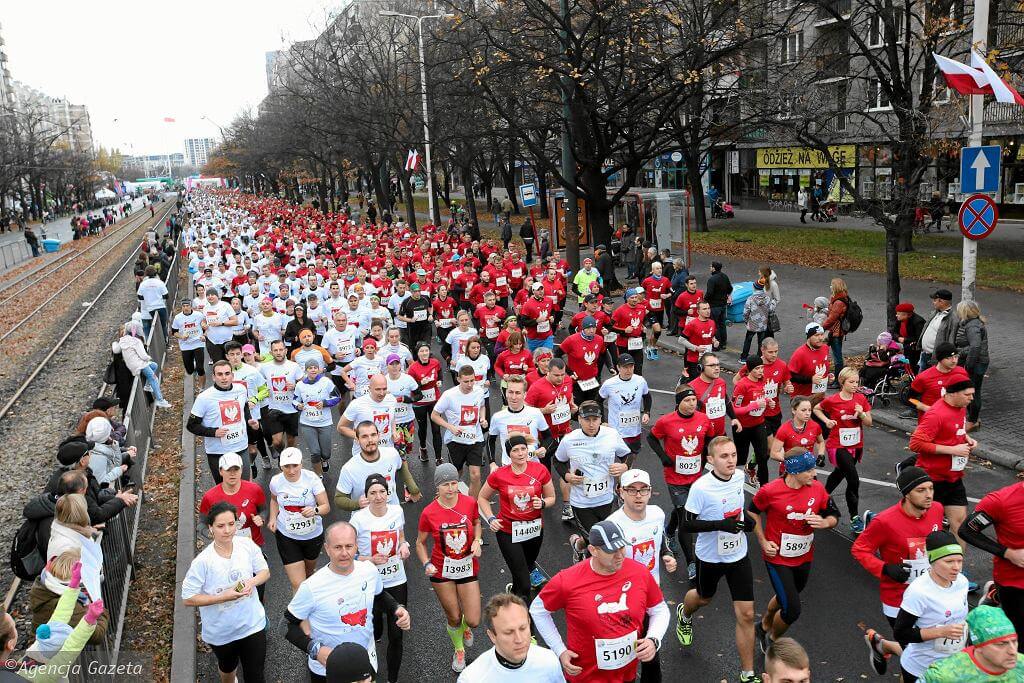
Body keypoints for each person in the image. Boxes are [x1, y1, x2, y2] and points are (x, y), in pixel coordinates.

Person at [529, 519, 670, 682]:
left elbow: (659, 609)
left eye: (622, 547)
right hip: (586, 676)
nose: (619, 555)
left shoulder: (639, 573)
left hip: (626, 675)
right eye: (611, 550)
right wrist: (559, 650)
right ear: (593, 550)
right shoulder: (567, 580)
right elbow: (538, 610)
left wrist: (653, 638)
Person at [676, 436, 760, 683]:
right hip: (710, 556)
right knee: (703, 598)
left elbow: (736, 508)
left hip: (738, 554)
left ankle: (747, 673)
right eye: (724, 456)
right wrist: (720, 525)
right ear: (711, 460)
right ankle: (685, 613)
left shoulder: (738, 477)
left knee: (746, 614)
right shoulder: (701, 488)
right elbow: (686, 525)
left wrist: (746, 521)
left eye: (733, 455)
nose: (731, 461)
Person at [284, 522, 411, 682]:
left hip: (365, 660)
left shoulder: (369, 571)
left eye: (349, 546)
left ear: (356, 546)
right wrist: (315, 650)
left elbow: (379, 597)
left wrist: (396, 608)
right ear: (326, 548)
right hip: (326, 668)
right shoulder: (312, 586)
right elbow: (286, 625)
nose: (344, 553)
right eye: (337, 547)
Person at [855, 466, 946, 675]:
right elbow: (859, 549)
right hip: (898, 599)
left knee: (924, 650)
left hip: (929, 592)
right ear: (906, 493)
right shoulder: (884, 521)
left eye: (931, 488)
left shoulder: (937, 510)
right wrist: (885, 568)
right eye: (921, 490)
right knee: (917, 657)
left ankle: (882, 645)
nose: (929, 495)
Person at [750, 449, 839, 650]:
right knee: (792, 610)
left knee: (788, 596)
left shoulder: (817, 489)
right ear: (794, 471)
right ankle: (772, 639)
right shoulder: (770, 491)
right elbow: (752, 512)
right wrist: (763, 541)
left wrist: (825, 523)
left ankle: (763, 625)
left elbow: (833, 514)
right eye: (809, 470)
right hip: (777, 558)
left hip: (804, 557)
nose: (814, 473)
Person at [182, 502, 270, 683]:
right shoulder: (203, 562)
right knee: (228, 667)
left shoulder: (246, 544)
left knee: (255, 675)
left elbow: (264, 572)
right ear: (210, 528)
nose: (228, 530)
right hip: (221, 631)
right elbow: (188, 598)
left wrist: (251, 582)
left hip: (252, 624)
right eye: (220, 526)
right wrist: (223, 597)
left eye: (232, 524)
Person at [606, 470, 677, 682]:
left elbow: (661, 540)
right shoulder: (613, 525)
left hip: (650, 593)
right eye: (632, 490)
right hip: (622, 598)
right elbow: (605, 564)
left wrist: (668, 555)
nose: (638, 495)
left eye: (643, 490)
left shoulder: (657, 513)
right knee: (622, 655)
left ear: (650, 492)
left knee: (650, 653)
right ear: (621, 493)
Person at [416, 464, 483, 673]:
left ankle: (465, 629)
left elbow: (477, 522)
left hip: (466, 566)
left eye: (454, 483)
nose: (451, 488)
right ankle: (458, 649)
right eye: (446, 484)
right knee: (453, 616)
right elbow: (420, 542)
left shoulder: (469, 502)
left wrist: (478, 541)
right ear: (438, 487)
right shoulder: (429, 512)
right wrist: (426, 563)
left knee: (473, 620)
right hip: (441, 570)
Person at [478, 435, 556, 602]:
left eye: (523, 448)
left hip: (534, 530)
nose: (520, 453)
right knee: (525, 582)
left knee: (524, 569)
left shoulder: (540, 470)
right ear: (509, 454)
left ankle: (514, 591)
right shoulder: (499, 475)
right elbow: (482, 497)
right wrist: (491, 519)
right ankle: (525, 621)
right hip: (508, 531)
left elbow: (552, 498)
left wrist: (542, 503)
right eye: (515, 450)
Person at [351, 474, 411, 683]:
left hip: (396, 579)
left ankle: (391, 679)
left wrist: (404, 546)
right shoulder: (358, 519)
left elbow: (401, 536)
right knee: (373, 628)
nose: (378, 497)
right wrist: (370, 559)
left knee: (396, 634)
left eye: (382, 492)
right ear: (366, 496)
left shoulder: (397, 511)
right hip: (369, 581)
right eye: (372, 493)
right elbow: (351, 554)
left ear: (388, 493)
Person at [647, 386, 711, 580]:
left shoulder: (703, 419)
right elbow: (651, 437)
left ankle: (668, 530)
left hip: (697, 477)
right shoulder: (666, 421)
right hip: (675, 478)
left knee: (685, 510)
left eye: (693, 400)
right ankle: (691, 562)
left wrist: (706, 456)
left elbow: (710, 438)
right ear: (679, 403)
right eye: (687, 401)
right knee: (687, 518)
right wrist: (663, 457)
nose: (691, 404)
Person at [556, 401, 631, 562]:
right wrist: (567, 477)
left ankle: (577, 545)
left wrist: (624, 466)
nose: (591, 424)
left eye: (595, 419)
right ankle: (593, 580)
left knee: (597, 536)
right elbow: (558, 461)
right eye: (587, 419)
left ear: (600, 419)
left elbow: (627, 454)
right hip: (581, 503)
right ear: (579, 420)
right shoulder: (569, 440)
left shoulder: (611, 435)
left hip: (605, 499)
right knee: (596, 543)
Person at [908, 378, 977, 555]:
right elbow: (915, 444)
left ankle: (957, 569)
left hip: (953, 479)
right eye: (967, 395)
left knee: (961, 525)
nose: (971, 399)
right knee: (927, 527)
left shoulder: (960, 408)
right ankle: (924, 568)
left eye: (972, 395)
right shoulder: (936, 414)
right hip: (931, 481)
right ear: (952, 394)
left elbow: (957, 430)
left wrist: (966, 439)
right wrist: (952, 449)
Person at [895, 531, 970, 682]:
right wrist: (940, 632)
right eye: (949, 562)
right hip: (922, 668)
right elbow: (901, 633)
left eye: (959, 561)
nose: (956, 567)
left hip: (954, 664)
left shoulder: (962, 581)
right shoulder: (918, 592)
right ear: (932, 561)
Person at [961, 480, 1024, 638]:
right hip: (1014, 583)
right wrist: (1008, 553)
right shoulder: (1001, 501)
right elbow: (967, 530)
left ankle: (994, 595)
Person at [813, 367, 872, 533]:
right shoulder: (833, 400)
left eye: (857, 381)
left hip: (855, 446)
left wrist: (861, 415)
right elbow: (817, 408)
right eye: (851, 382)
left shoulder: (861, 399)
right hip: (837, 445)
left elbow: (869, 423)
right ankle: (855, 518)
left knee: (838, 475)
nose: (855, 385)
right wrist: (827, 421)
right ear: (842, 382)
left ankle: (819, 499)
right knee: (853, 480)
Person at [457, 593, 564, 682]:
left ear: (529, 623)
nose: (519, 639)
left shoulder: (549, 661)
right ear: (492, 636)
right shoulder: (471, 679)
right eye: (508, 632)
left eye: (523, 628)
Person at [188, 361, 261, 482]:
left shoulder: (241, 389)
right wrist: (214, 432)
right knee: (224, 490)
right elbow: (192, 425)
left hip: (240, 447)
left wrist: (249, 421)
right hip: (217, 452)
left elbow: (244, 407)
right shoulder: (204, 398)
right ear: (213, 377)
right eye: (220, 374)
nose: (224, 378)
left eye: (227, 373)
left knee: (244, 485)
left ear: (232, 375)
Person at [199, 453, 267, 570]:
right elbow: (201, 524)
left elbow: (264, 510)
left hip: (253, 546)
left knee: (258, 583)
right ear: (221, 471)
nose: (232, 473)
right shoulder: (210, 497)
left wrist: (261, 518)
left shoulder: (254, 490)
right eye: (228, 469)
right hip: (225, 551)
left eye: (236, 469)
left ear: (241, 470)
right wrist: (211, 533)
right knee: (235, 586)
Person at [923, 605, 1024, 681]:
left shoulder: (1022, 664)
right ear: (979, 646)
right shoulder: (943, 675)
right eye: (1001, 644)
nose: (1013, 651)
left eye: (1014, 642)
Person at [432, 365, 489, 498]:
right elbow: (434, 415)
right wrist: (450, 427)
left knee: (476, 475)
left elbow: (482, 406)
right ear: (458, 379)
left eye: (472, 380)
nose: (470, 384)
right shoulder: (449, 395)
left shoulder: (479, 391)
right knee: (456, 473)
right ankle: (448, 497)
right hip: (455, 440)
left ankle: (472, 505)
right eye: (466, 381)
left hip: (475, 438)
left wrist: (482, 418)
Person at [600, 352, 652, 467]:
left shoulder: (640, 381)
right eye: (625, 367)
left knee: (631, 458)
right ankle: (620, 483)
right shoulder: (609, 384)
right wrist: (602, 421)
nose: (628, 370)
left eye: (631, 367)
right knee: (618, 462)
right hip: (616, 430)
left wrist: (647, 412)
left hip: (634, 430)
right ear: (618, 367)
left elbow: (647, 396)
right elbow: (598, 401)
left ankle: (625, 480)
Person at [487, 375, 551, 468]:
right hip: (508, 467)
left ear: (524, 394)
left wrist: (544, 448)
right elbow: (490, 441)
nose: (513, 397)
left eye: (517, 393)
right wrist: (492, 463)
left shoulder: (535, 413)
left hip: (532, 465)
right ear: (506, 393)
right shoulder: (498, 417)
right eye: (510, 392)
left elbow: (548, 437)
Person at [259, 340, 303, 459]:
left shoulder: (294, 366)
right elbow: (258, 383)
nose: (278, 352)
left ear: (286, 350)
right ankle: (282, 455)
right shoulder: (265, 368)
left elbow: (303, 383)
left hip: (291, 408)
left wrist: (295, 386)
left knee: (291, 441)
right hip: (274, 408)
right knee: (277, 442)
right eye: (275, 350)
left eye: (280, 349)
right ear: (271, 352)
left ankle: (288, 460)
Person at [904, 342, 969, 422]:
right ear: (940, 359)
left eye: (956, 356)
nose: (954, 361)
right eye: (949, 358)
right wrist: (925, 407)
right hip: (930, 424)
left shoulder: (962, 373)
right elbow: (910, 398)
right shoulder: (924, 377)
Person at [115, 322, 172, 408]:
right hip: (140, 364)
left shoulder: (122, 341)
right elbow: (143, 356)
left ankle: (147, 385)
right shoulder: (136, 340)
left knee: (154, 365)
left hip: (132, 365)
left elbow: (117, 350)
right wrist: (149, 358)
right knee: (154, 378)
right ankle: (160, 400)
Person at [953, 300, 988, 431]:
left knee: (973, 391)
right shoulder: (972, 323)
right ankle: (973, 418)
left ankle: (972, 420)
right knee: (972, 390)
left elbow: (975, 346)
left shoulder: (972, 326)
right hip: (975, 361)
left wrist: (968, 365)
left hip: (975, 363)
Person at [918, 289, 959, 372]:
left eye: (935, 300)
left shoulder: (953, 318)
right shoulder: (934, 313)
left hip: (936, 358)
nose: (933, 302)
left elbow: (951, 339)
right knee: (921, 381)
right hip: (924, 354)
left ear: (941, 301)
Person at [788, 322, 832, 397]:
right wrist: (810, 379)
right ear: (808, 337)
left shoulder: (825, 348)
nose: (821, 338)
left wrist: (828, 376)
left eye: (822, 334)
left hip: (820, 395)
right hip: (802, 398)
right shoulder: (800, 353)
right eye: (816, 335)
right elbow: (790, 376)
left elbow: (820, 367)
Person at [172, 299, 207, 390]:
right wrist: (181, 336)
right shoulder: (178, 318)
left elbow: (206, 327)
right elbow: (174, 332)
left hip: (198, 343)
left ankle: (201, 388)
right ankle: (193, 364)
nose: (186, 308)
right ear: (181, 307)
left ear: (191, 306)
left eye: (187, 306)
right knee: (189, 370)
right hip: (185, 345)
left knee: (200, 368)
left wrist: (204, 335)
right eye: (184, 306)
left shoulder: (199, 315)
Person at [640, 261, 671, 360]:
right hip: (650, 309)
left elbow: (671, 292)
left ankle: (651, 346)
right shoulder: (647, 281)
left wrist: (666, 295)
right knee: (654, 328)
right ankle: (650, 347)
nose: (659, 270)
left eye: (660, 268)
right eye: (657, 268)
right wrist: (644, 301)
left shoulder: (666, 280)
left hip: (660, 309)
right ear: (652, 270)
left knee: (657, 331)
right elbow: (642, 291)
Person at [680, 301, 718, 380]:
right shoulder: (692, 324)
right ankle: (683, 382)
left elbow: (711, 336)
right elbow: (681, 340)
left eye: (708, 308)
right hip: (694, 360)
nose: (707, 311)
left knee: (707, 382)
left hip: (707, 360)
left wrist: (715, 341)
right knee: (695, 384)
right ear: (698, 311)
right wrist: (696, 348)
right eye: (704, 309)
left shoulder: (712, 323)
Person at [741, 280, 776, 364]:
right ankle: (759, 358)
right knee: (761, 342)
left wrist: (746, 321)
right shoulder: (767, 298)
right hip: (763, 324)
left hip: (752, 323)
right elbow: (771, 310)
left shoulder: (751, 299)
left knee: (748, 340)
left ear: (754, 287)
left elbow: (746, 312)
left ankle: (744, 358)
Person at [821, 277, 850, 379]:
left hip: (835, 332)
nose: (830, 287)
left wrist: (821, 328)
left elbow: (832, 318)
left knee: (837, 358)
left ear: (835, 287)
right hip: (835, 331)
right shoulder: (839, 298)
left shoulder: (838, 302)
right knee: (832, 353)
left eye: (831, 285)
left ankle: (838, 380)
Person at [890, 302, 926, 369]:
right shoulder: (900, 319)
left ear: (907, 315)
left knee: (913, 363)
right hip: (905, 345)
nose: (896, 315)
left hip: (915, 348)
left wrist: (905, 340)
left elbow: (919, 337)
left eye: (898, 314)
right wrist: (898, 338)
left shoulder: (918, 322)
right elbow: (893, 332)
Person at [705, 261, 732, 348]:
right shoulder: (725, 276)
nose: (710, 268)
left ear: (713, 268)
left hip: (714, 306)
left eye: (710, 266)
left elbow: (709, 293)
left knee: (715, 324)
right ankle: (724, 342)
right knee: (722, 324)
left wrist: (705, 300)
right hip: (723, 305)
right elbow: (730, 288)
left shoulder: (712, 280)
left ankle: (717, 343)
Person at [137, 265, 169, 337]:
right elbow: (166, 295)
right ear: (155, 273)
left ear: (146, 273)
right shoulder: (159, 282)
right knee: (163, 325)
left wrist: (148, 299)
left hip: (149, 308)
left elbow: (139, 296)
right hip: (160, 306)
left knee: (147, 329)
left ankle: (149, 345)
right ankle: (165, 339)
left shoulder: (143, 284)